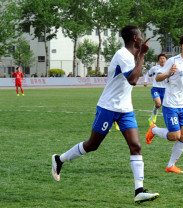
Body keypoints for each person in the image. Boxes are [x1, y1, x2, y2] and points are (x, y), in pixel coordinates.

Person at [51, 25, 159, 204]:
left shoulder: (131, 56)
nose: (142, 39)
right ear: (134, 38)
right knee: (92, 145)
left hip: (125, 109)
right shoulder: (123, 55)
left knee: (136, 146)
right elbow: (132, 80)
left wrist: (139, 56)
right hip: (108, 107)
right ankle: (59, 159)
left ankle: (139, 190)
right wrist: (142, 55)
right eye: (140, 36)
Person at [145, 34, 183, 173]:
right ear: (181, 46)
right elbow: (158, 77)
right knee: (175, 136)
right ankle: (153, 129)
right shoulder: (172, 61)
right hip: (171, 104)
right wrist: (168, 74)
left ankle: (171, 165)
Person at [144, 53, 168, 126]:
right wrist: (145, 81)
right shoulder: (155, 68)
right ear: (158, 60)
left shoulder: (168, 68)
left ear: (166, 60)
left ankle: (151, 118)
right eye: (160, 58)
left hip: (165, 89)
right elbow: (148, 73)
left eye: (163, 58)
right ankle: (154, 116)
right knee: (158, 103)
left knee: (161, 105)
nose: (162, 60)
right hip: (156, 88)